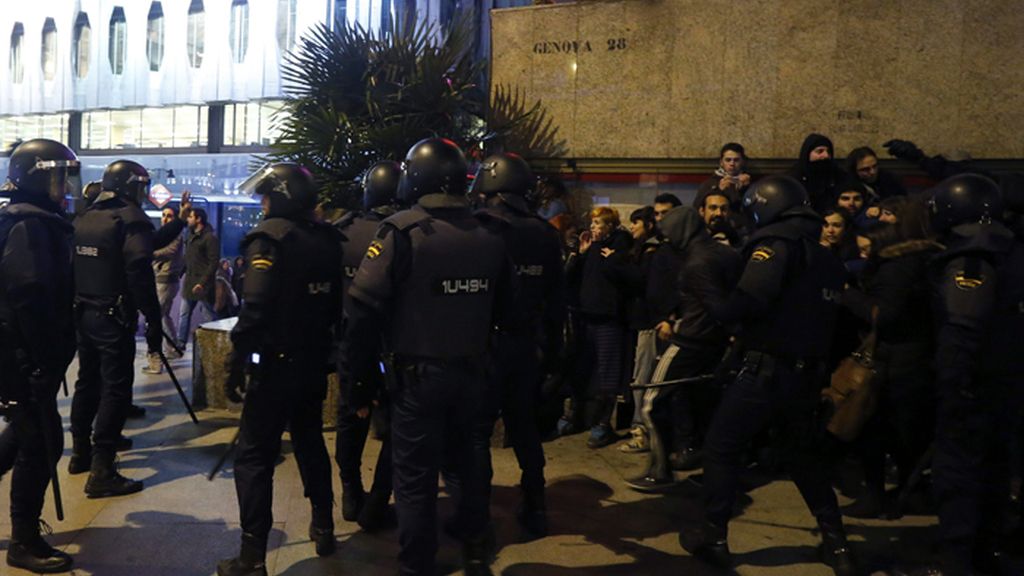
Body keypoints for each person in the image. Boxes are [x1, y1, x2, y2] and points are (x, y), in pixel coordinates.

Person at [344, 138, 517, 576]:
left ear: (415, 178)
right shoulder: (491, 235)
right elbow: (510, 314)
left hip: (418, 378)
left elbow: (362, 312)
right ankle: (475, 544)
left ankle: (418, 564)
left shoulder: (402, 232)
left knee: (415, 477)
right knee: (470, 461)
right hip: (474, 373)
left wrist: (357, 382)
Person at [687, 175, 857, 576]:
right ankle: (838, 545)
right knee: (803, 458)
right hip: (806, 376)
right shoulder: (828, 260)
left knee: (721, 447)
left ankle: (713, 537)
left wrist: (706, 290)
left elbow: (742, 307)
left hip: (766, 372)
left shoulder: (774, 248)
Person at [218, 163, 343, 576]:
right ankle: (323, 525)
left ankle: (252, 556)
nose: (263, 203)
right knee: (309, 442)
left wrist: (237, 359)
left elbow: (254, 306)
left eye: (266, 196)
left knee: (254, 456)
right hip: (311, 361)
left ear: (281, 197)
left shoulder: (269, 240)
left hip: (275, 365)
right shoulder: (327, 239)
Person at [923, 174, 1024, 576]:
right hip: (1007, 384)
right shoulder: (1012, 250)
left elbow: (963, 326)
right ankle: (985, 555)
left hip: (972, 389)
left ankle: (957, 562)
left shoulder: (972, 257)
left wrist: (950, 385)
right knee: (995, 474)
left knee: (958, 477)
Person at [471, 152, 566, 536]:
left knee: (477, 432)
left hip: (484, 345)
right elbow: (557, 302)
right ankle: (536, 503)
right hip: (526, 345)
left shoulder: (481, 227)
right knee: (523, 426)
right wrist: (554, 355)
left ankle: (477, 515)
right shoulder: (544, 233)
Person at [0, 138, 77, 572]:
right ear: (36, 175)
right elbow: (30, 298)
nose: (62, 184)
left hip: (19, 356)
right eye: (56, 175)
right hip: (24, 357)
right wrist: (42, 362)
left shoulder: (28, 219)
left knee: (25, 433)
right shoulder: (30, 225)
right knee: (41, 442)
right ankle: (23, 541)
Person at [627, 205, 740, 490]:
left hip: (691, 341)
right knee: (707, 409)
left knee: (652, 402)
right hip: (712, 344)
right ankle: (713, 476)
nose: (666, 240)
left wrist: (683, 325)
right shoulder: (723, 253)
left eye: (668, 233)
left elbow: (718, 307)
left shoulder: (697, 262)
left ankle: (660, 471)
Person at [840, 199, 939, 519]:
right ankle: (911, 491)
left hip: (895, 360)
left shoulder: (899, 265)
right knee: (907, 432)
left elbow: (885, 314)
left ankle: (878, 494)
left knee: (878, 428)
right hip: (918, 356)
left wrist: (848, 295)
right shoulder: (929, 257)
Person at [69, 159, 162, 498]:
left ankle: (80, 453)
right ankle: (102, 469)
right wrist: (153, 317)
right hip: (113, 315)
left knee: (87, 381)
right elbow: (139, 269)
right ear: (131, 186)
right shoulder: (131, 219)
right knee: (116, 389)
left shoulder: (86, 215)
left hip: (84, 311)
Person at [334, 160, 402, 532]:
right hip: (395, 344)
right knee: (395, 428)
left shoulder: (343, 233)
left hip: (350, 341)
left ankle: (350, 491)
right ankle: (378, 499)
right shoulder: (405, 232)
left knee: (350, 419)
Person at [565, 206, 634, 448]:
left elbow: (627, 279)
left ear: (610, 227)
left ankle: (603, 424)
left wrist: (613, 260)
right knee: (581, 370)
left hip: (608, 319)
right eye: (592, 223)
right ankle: (577, 416)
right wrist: (580, 254)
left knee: (608, 374)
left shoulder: (619, 247)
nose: (593, 227)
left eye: (598, 224)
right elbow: (571, 278)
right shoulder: (591, 248)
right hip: (585, 317)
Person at [143, 206, 187, 374]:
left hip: (166, 280)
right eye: (163, 215)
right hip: (163, 278)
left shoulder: (175, 235)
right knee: (163, 316)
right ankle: (173, 348)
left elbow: (170, 251)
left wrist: (149, 252)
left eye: (169, 216)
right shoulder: (164, 234)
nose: (165, 219)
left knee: (155, 318)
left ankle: (155, 360)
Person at [176, 207, 219, 348]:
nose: (188, 219)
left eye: (190, 216)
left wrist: (203, 283)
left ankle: (211, 345)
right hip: (190, 282)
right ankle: (180, 343)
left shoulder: (209, 238)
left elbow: (213, 263)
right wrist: (179, 273)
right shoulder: (190, 236)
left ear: (198, 219)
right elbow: (187, 259)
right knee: (184, 314)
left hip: (203, 285)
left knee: (208, 316)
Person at [788, 133, 847, 214]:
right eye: (820, 151)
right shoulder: (793, 178)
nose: (826, 155)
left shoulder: (837, 174)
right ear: (808, 153)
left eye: (829, 152)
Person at [695, 142, 753, 208]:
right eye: (728, 160)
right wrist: (719, 191)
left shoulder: (751, 183)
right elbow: (698, 208)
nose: (732, 164)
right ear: (721, 162)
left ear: (742, 162)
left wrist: (746, 189)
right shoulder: (709, 184)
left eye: (736, 160)